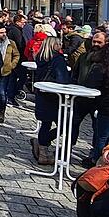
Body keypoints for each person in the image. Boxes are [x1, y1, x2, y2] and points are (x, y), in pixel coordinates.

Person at [81, 34, 109, 159]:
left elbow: (89, 86)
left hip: (107, 109)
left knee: (102, 138)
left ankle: (97, 162)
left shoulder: (101, 68)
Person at [30, 36, 71, 164]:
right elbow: (62, 79)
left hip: (42, 94)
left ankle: (42, 150)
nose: (61, 46)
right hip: (54, 96)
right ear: (54, 45)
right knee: (66, 125)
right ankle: (44, 144)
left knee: (46, 123)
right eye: (59, 44)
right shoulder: (58, 59)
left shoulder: (40, 57)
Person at [0, 24, 19, 125]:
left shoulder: (10, 43)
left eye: (5, 32)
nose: (4, 34)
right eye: (1, 33)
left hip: (5, 72)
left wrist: (11, 65)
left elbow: (16, 55)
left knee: (2, 94)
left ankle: (1, 113)